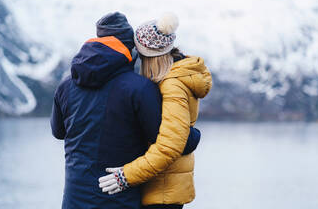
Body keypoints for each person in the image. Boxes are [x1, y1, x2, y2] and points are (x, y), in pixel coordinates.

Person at [50, 12, 199, 209]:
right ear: (130, 49)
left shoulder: (66, 84)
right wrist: (194, 135)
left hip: (73, 200)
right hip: (118, 200)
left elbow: (58, 132)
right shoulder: (139, 88)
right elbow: (173, 141)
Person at [98, 13, 212, 209]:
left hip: (163, 193)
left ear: (149, 57)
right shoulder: (172, 78)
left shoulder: (173, 85)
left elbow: (170, 146)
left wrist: (125, 176)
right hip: (162, 186)